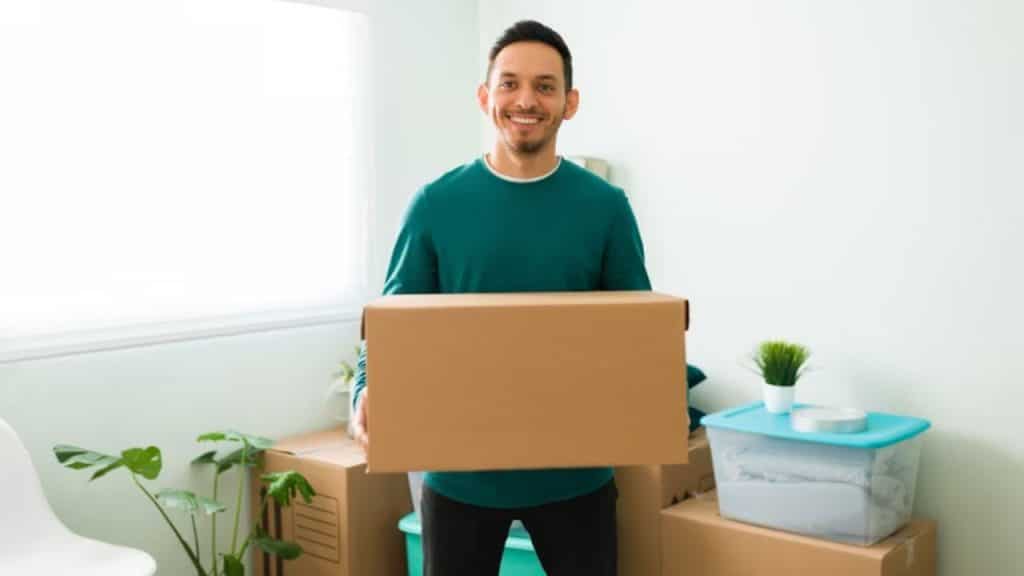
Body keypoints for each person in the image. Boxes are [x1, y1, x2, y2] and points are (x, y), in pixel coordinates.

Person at [349, 20, 650, 576]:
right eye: (509, 84)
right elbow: (390, 324)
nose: (526, 100)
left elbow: (638, 335)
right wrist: (366, 389)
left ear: (570, 102)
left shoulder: (606, 207)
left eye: (545, 85)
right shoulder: (436, 204)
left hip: (577, 475)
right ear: (486, 97)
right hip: (460, 474)